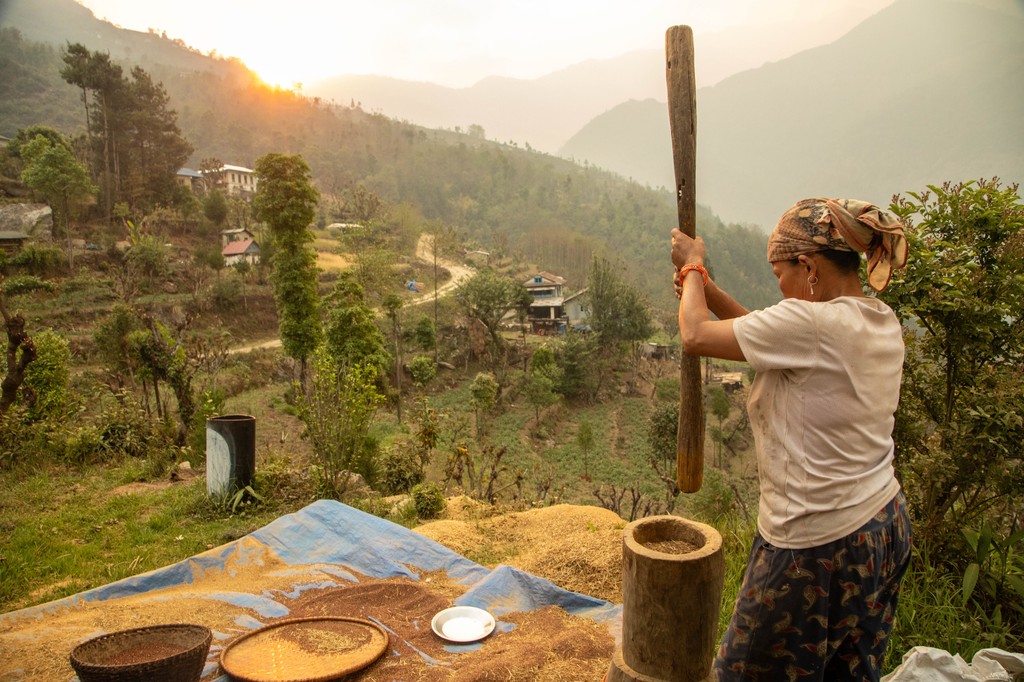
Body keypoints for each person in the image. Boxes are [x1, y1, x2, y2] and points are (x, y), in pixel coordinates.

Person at [670, 198, 913, 682]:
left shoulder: (812, 324)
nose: (778, 287)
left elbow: (695, 335)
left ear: (809, 267)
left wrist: (693, 264)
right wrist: (707, 288)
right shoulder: (876, 318)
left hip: (815, 548)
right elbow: (768, 341)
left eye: (780, 273)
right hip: (882, 526)